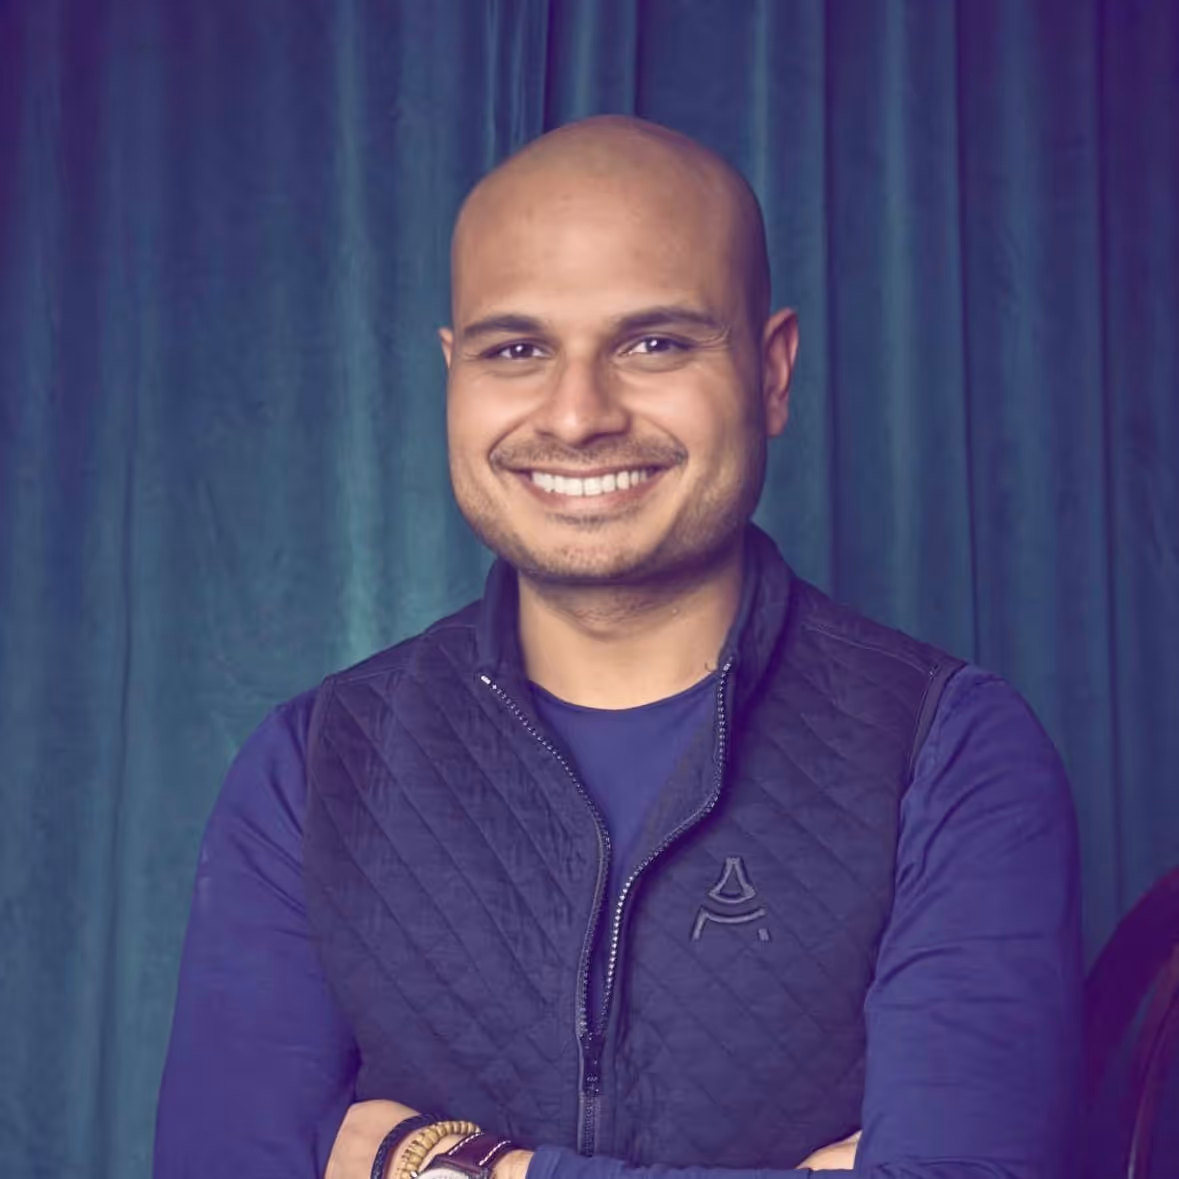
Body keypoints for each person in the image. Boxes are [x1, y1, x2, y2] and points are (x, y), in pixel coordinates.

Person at [154, 115, 1082, 1179]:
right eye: (517, 349)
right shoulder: (313, 769)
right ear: (452, 373)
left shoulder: (953, 754)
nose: (579, 413)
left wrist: (451, 1166)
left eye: (655, 343)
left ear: (773, 373)